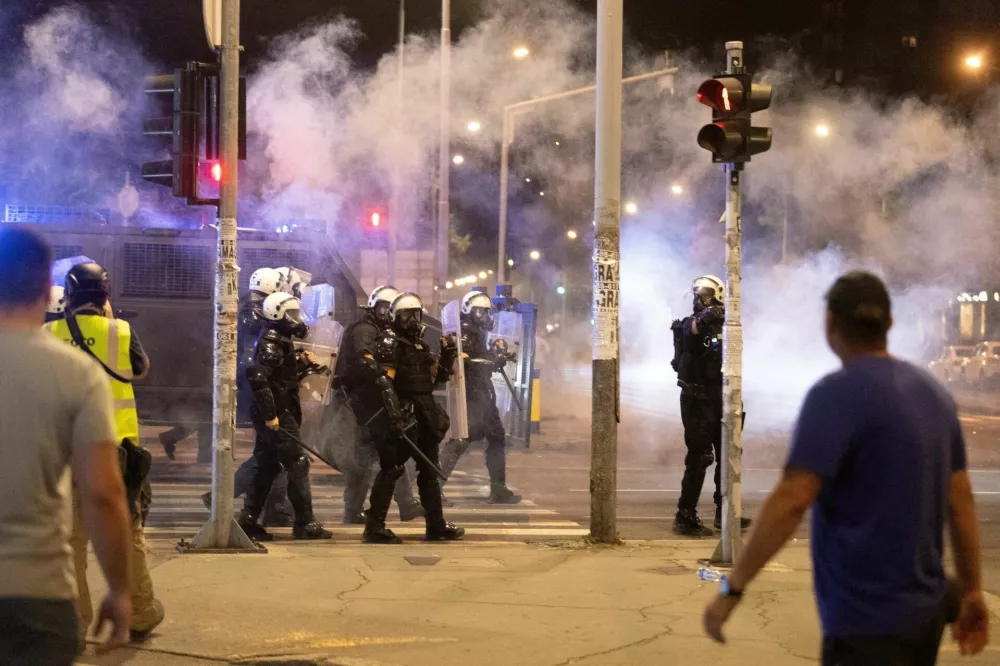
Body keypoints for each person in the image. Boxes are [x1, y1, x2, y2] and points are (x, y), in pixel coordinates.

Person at [703, 271, 990, 664]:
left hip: (862, 624)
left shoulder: (832, 396)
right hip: (924, 618)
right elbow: (961, 501)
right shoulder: (935, 395)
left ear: (830, 324)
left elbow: (792, 500)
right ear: (888, 324)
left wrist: (732, 589)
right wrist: (973, 591)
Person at [0, 228, 133, 663]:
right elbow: (103, 494)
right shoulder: (76, 373)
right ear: (45, 290)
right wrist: (119, 589)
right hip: (37, 597)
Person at [46, 261, 165, 640]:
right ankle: (142, 613)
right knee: (125, 535)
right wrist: (109, 320)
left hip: (65, 453)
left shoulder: (49, 334)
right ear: (105, 296)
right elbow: (141, 369)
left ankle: (74, 623)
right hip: (115, 454)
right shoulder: (121, 332)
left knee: (70, 541)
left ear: (68, 296)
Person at [362, 292, 465, 544]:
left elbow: (437, 378)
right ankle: (374, 527)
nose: (413, 320)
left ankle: (436, 525)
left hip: (425, 415)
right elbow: (384, 383)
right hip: (404, 415)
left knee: (430, 470)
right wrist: (395, 418)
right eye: (407, 315)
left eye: (416, 314)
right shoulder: (390, 342)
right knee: (392, 469)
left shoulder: (419, 345)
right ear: (396, 316)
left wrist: (448, 353)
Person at [201, 267, 293, 526]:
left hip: (253, 385)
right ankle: (226, 494)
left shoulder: (244, 308)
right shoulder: (252, 314)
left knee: (270, 451)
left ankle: (268, 509)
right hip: (257, 387)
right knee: (269, 451)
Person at [237, 291, 332, 541]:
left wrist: (302, 365)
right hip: (277, 412)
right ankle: (305, 523)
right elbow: (260, 380)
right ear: (277, 313)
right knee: (298, 462)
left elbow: (281, 378)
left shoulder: (281, 339)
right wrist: (271, 415)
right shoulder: (271, 342)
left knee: (267, 465)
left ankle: (247, 521)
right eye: (291, 314)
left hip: (278, 409)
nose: (296, 319)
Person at [333, 285, 423, 524]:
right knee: (365, 457)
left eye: (390, 309)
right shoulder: (365, 329)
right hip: (359, 403)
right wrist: (383, 373)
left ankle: (405, 503)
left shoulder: (379, 331)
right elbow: (365, 361)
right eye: (384, 307)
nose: (387, 314)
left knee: (386, 452)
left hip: (371, 402)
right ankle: (354, 510)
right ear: (375, 307)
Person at [671, 275, 750, 536]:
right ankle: (685, 516)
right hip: (697, 399)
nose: (700, 300)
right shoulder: (689, 325)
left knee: (729, 456)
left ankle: (726, 513)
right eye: (699, 295)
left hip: (721, 396)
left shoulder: (725, 326)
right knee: (700, 457)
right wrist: (709, 315)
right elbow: (690, 330)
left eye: (704, 295)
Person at [439, 290, 521, 504]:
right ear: (467, 310)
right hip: (473, 393)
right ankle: (435, 487)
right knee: (461, 440)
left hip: (480, 392)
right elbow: (466, 360)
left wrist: (496, 357)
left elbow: (478, 358)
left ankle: (498, 488)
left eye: (485, 312)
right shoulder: (466, 332)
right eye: (478, 312)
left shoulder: (476, 331)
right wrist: (491, 361)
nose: (482, 316)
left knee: (494, 437)